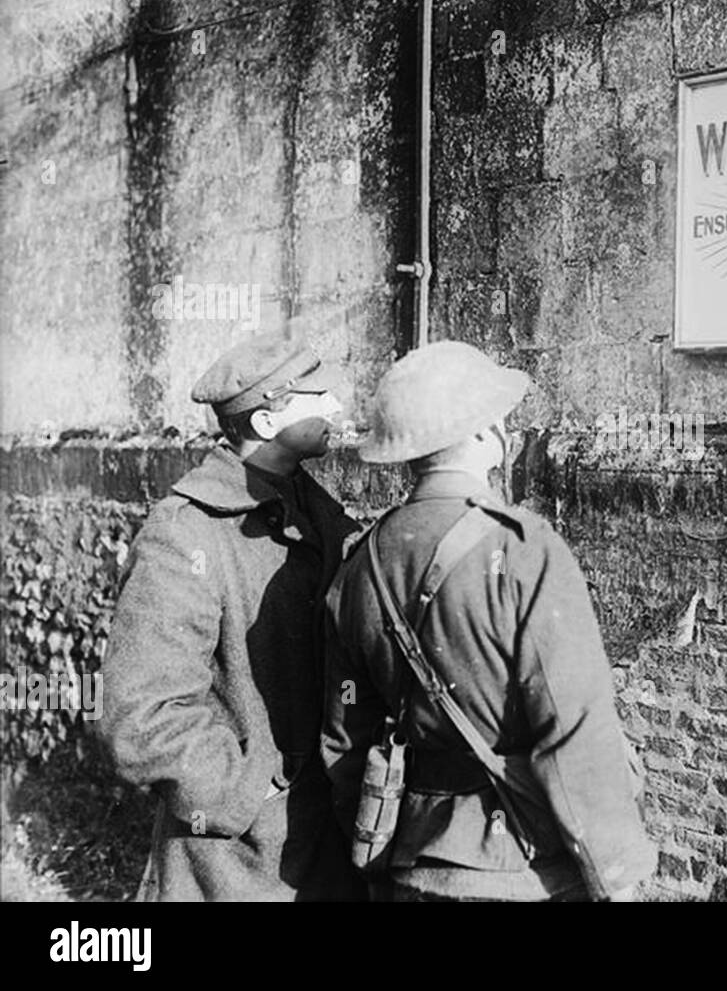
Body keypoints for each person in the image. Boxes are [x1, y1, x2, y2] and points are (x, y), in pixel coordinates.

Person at [321, 340, 655, 902]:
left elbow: (345, 739)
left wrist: (381, 858)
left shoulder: (360, 567)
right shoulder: (526, 550)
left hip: (412, 866)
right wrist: (616, 879)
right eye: (498, 419)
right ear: (480, 434)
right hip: (522, 875)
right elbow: (576, 729)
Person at [100, 334, 364, 901]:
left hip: (328, 850)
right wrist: (249, 793)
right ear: (268, 424)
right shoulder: (185, 534)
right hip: (234, 864)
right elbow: (142, 717)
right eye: (316, 395)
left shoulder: (321, 518)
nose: (335, 407)